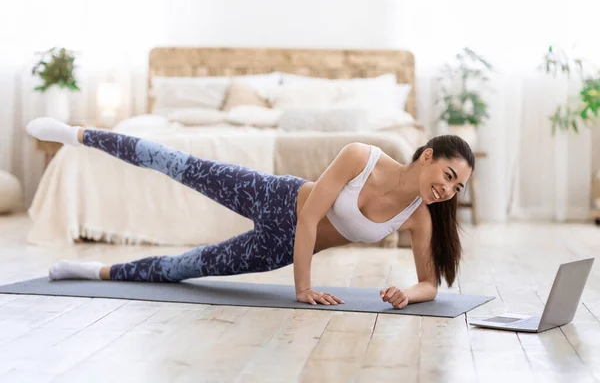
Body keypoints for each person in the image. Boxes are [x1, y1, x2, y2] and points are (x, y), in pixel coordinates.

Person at [25, 117, 474, 309]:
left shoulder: (420, 217)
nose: (448, 189)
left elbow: (429, 285)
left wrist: (406, 295)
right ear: (428, 156)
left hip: (277, 248)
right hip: (272, 196)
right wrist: (304, 289)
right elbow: (309, 218)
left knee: (183, 268)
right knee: (178, 163)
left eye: (458, 186)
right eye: (449, 174)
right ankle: (77, 134)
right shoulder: (362, 157)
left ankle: (89, 270)